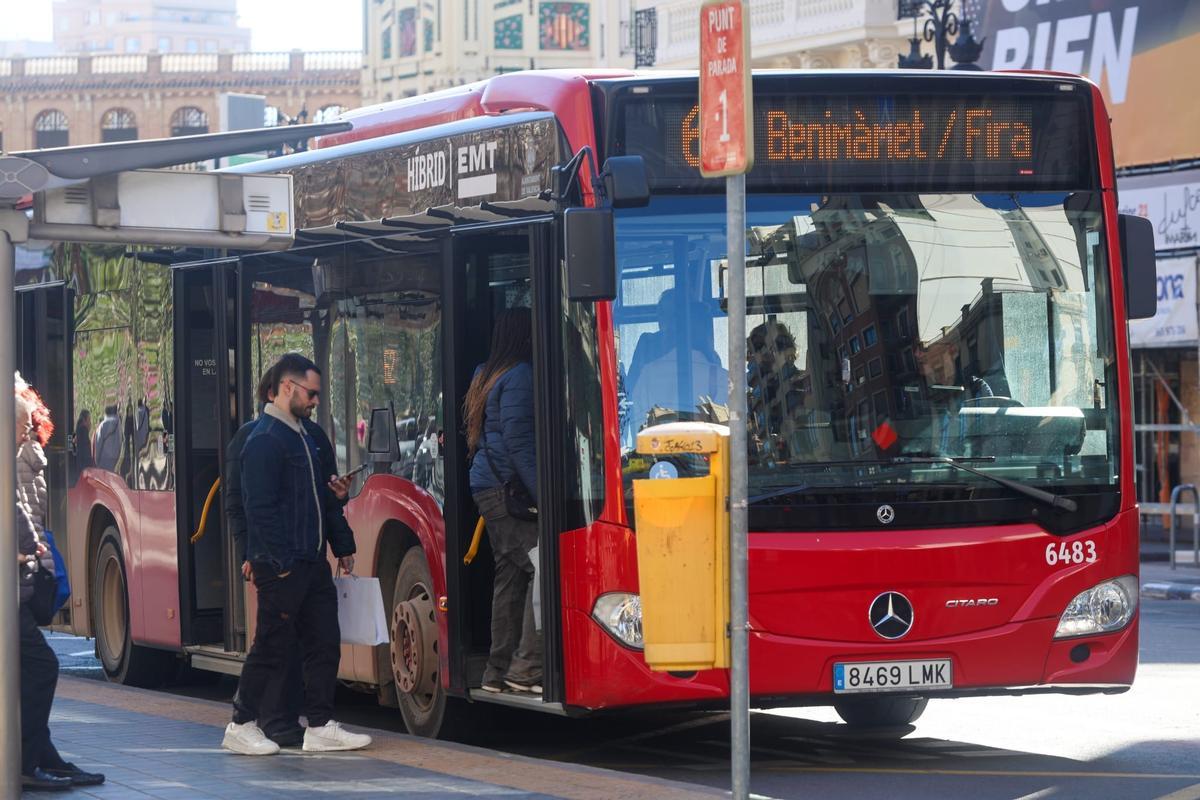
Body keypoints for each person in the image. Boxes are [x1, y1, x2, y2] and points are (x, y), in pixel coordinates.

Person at [221, 353, 369, 756]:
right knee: (271, 644)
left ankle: (319, 725)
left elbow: (311, 500)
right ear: (286, 387)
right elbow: (258, 508)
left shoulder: (304, 436)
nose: (315, 401)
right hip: (283, 565)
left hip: (310, 561)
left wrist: (339, 531)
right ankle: (241, 723)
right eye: (311, 393)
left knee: (325, 641)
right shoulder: (264, 440)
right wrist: (278, 562)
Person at [15, 391, 106, 790]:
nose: (29, 431)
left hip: (20, 582)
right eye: (23, 425)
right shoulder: (18, 455)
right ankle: (24, 760)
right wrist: (26, 547)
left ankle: (36, 755)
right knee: (40, 667)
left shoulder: (23, 452)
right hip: (13, 586)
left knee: (29, 670)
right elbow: (17, 511)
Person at [465, 308, 542, 695]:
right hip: (504, 487)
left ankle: (496, 672)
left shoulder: (485, 373)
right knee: (542, 568)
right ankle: (526, 667)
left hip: (486, 485)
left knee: (510, 575)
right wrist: (544, 495)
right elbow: (519, 442)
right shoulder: (521, 376)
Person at [93, 404, 120, 471]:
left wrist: (97, 460)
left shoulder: (103, 425)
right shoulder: (119, 424)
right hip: (116, 459)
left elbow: (98, 443)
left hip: (104, 461)